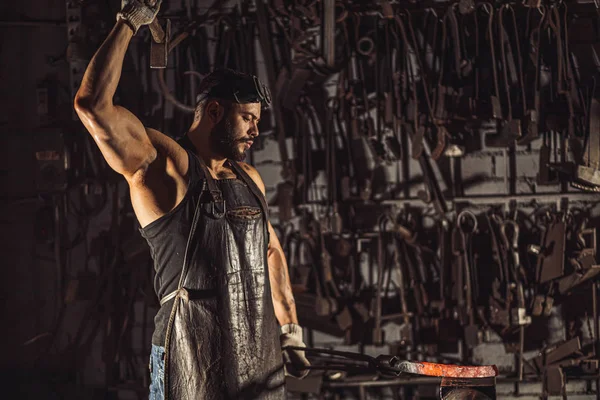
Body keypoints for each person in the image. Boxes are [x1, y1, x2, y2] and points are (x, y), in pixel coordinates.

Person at [74, 1, 310, 398]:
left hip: (257, 362)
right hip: (189, 364)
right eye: (248, 117)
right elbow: (93, 107)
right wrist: (130, 23)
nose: (256, 129)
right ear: (215, 111)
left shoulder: (248, 178)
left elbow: (269, 248)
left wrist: (290, 331)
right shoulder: (166, 167)